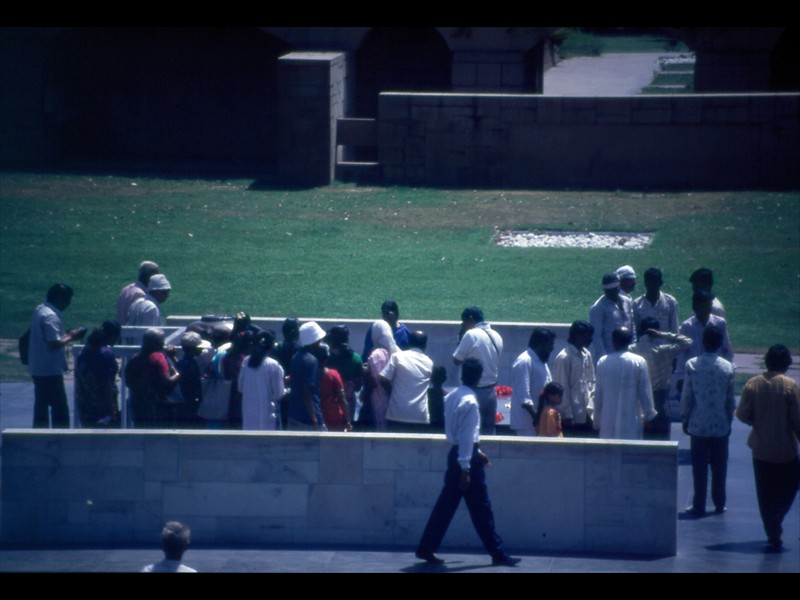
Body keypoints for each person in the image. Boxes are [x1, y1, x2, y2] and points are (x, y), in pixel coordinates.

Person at [415, 358, 520, 567]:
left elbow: (459, 433)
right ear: (480, 377)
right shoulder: (471, 402)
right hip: (465, 459)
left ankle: (426, 546)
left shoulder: (453, 396)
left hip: (458, 454)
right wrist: (467, 467)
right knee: (481, 508)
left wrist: (474, 452)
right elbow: (466, 435)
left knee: (446, 506)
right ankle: (497, 553)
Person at [735, 344, 800, 552]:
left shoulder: (753, 384)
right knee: (790, 487)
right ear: (787, 363)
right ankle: (777, 517)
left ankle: (772, 530)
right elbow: (798, 420)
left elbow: (741, 414)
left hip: (761, 449)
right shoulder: (790, 386)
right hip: (785, 449)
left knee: (764, 494)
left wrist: (757, 419)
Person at [681, 325, 736, 517]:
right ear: (720, 343)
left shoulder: (692, 365)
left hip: (699, 424)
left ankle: (699, 504)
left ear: (703, 342)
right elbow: (730, 400)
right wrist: (729, 420)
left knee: (699, 468)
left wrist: (685, 417)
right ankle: (720, 503)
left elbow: (687, 396)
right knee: (720, 467)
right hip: (720, 424)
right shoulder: (728, 368)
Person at [28, 283, 87, 428]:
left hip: (37, 366)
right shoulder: (51, 316)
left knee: (41, 404)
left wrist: (66, 334)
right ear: (59, 298)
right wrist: (73, 335)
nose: (68, 304)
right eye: (67, 300)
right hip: (49, 369)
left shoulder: (40, 310)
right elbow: (54, 343)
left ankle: (38, 434)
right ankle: (61, 435)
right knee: (60, 407)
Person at [629, 316, 692, 440]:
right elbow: (687, 341)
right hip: (660, 398)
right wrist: (663, 334)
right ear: (655, 332)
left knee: (640, 437)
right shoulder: (663, 350)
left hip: (638, 399)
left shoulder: (632, 349)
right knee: (661, 437)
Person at [593, 328, 657, 440]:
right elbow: (645, 392)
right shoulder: (639, 361)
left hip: (608, 419)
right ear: (630, 341)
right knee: (630, 452)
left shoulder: (603, 362)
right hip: (631, 418)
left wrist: (597, 420)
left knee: (608, 450)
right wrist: (649, 415)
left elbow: (598, 394)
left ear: (613, 341)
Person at [453, 306, 503, 435]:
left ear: (470, 319)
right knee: (489, 432)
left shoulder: (471, 334)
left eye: (464, 322)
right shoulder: (497, 335)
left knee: (470, 430)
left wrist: (460, 337)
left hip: (473, 391)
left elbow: (456, 360)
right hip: (491, 391)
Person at [675, 290, 734, 391]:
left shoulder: (720, 324)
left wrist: (728, 371)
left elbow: (727, 350)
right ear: (696, 306)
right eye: (705, 305)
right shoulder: (687, 326)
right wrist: (681, 377)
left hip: (716, 373)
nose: (708, 308)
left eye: (709, 305)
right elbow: (682, 354)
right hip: (695, 375)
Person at [380, 330, 434, 433]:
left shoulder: (397, 357)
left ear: (409, 343)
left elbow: (383, 378)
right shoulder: (429, 362)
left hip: (397, 413)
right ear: (425, 345)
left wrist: (392, 391)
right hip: (420, 416)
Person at [125, 327, 180, 428]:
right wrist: (177, 375)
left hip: (138, 403)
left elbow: (128, 382)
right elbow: (166, 380)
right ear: (157, 343)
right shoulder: (158, 357)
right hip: (157, 405)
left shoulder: (135, 358)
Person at [551, 320, 596, 437]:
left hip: (588, 414)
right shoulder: (564, 358)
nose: (590, 339)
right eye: (588, 336)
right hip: (572, 417)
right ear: (578, 336)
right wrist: (567, 415)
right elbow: (562, 388)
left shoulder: (587, 354)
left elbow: (592, 382)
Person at [509, 328, 555, 437]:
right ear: (540, 344)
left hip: (540, 420)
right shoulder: (524, 361)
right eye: (550, 345)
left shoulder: (541, 361)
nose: (552, 348)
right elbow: (523, 395)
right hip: (527, 422)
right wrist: (536, 417)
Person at [75, 320, 121, 428]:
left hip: (85, 402)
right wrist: (112, 410)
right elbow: (106, 385)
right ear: (113, 336)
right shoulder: (106, 354)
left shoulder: (85, 350)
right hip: (102, 406)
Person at [238, 330, 285, 431]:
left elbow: (240, 387)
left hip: (248, 415)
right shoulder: (273, 365)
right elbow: (278, 394)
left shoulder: (246, 362)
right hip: (267, 416)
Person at [287, 321, 327, 431]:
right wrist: (314, 419)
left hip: (294, 414)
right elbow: (307, 392)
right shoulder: (311, 361)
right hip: (308, 418)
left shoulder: (296, 357)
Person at [589, 272, 635, 364]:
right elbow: (597, 336)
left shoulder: (627, 301)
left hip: (629, 352)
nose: (610, 293)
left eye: (613, 290)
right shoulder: (598, 307)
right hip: (610, 355)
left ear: (618, 288)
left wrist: (634, 346)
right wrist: (604, 358)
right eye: (608, 291)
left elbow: (632, 326)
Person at [326, 325, 363, 426]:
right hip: (349, 403)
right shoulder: (356, 358)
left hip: (329, 403)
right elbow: (358, 386)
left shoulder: (326, 359)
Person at [174, 331, 211, 428]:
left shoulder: (183, 363)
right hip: (191, 404)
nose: (201, 349)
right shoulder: (191, 365)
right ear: (192, 349)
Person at [633, 267, 680, 333]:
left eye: (654, 283)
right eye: (649, 283)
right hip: (644, 343)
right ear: (645, 283)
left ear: (660, 283)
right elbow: (635, 330)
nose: (652, 286)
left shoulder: (671, 302)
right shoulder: (637, 304)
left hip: (665, 343)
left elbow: (674, 328)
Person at [318, 343, 353, 432]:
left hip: (317, 414)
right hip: (333, 415)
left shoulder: (310, 374)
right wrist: (348, 420)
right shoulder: (333, 375)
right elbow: (342, 399)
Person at [116, 260, 160, 325]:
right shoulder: (141, 294)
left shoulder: (126, 289)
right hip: (129, 331)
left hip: (120, 329)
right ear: (148, 276)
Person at [427, 365, 448, 432]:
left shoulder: (425, 395)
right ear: (445, 378)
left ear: (430, 378)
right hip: (442, 428)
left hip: (428, 427)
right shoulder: (448, 396)